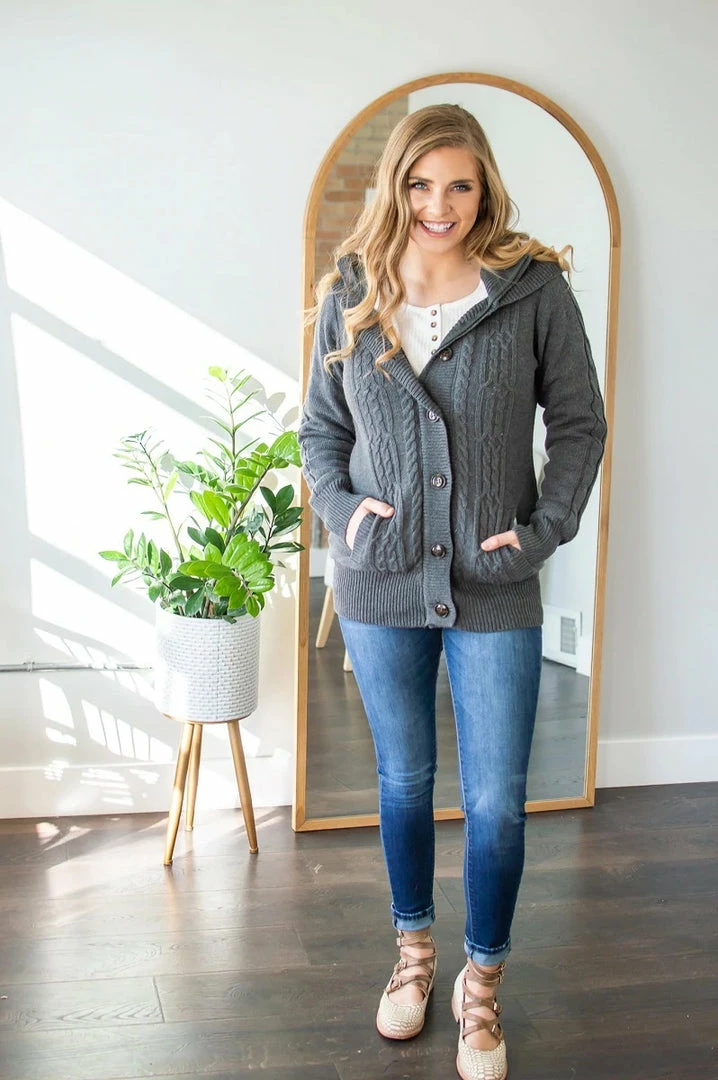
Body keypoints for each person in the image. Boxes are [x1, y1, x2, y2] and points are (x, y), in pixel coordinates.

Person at [298, 103, 607, 1080]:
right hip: (381, 580)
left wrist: (545, 530)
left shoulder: (532, 287)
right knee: (400, 781)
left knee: (498, 801)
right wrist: (345, 513)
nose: (440, 204)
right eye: (421, 184)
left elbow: (580, 423)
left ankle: (482, 982)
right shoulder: (352, 290)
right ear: (396, 186)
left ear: (485, 188)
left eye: (460, 184)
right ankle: (413, 953)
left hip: (495, 581)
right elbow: (320, 434)